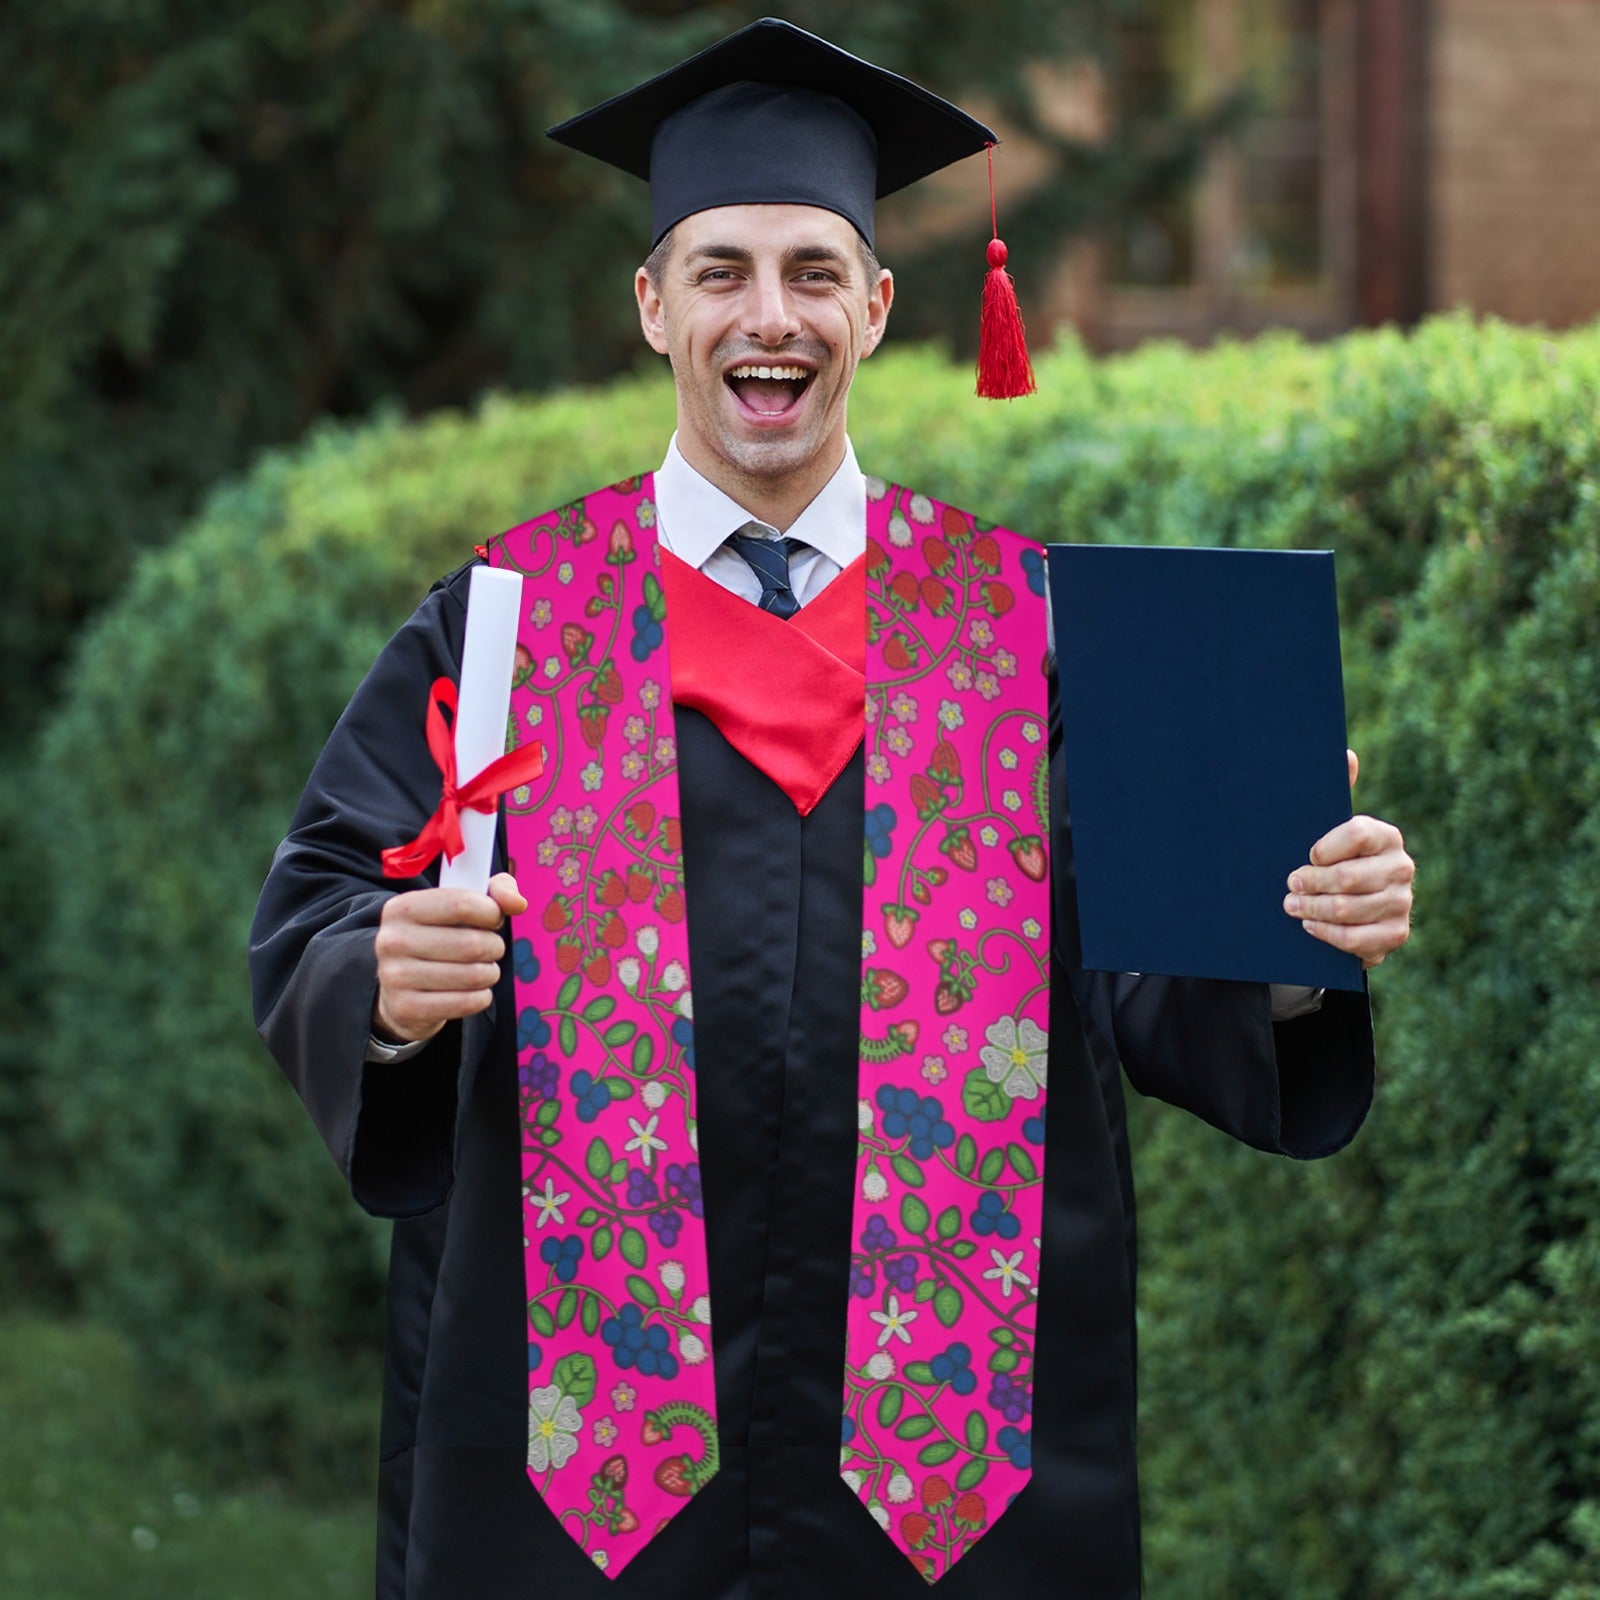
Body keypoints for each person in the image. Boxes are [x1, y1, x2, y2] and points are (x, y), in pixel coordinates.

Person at [249, 19, 1414, 1600]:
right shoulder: (513, 621)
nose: (768, 316)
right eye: (721, 270)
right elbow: (323, 901)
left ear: (876, 305)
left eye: (812, 270)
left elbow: (1150, 979)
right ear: (654, 305)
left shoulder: (1032, 628)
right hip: (584, 1473)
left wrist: (1292, 936)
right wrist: (380, 983)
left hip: (954, 1467)